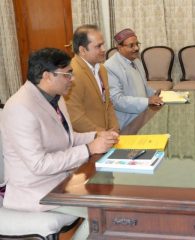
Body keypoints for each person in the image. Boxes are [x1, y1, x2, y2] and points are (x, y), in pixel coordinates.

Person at [0, 48, 119, 239]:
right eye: (67, 74)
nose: (72, 79)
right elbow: (39, 164)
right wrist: (89, 149)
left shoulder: (55, 97)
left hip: (60, 182)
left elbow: (66, 139)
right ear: (47, 76)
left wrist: (96, 135)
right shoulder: (20, 109)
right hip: (35, 191)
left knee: (109, 198)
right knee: (107, 214)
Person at [64, 24, 120, 133]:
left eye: (103, 44)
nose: (104, 49)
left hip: (107, 137)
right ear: (82, 50)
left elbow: (108, 104)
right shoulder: (73, 74)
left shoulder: (102, 69)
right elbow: (75, 118)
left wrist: (115, 130)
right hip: (89, 140)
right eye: (98, 46)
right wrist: (102, 134)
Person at [105, 28, 163, 129]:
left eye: (137, 44)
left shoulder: (136, 61)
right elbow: (117, 101)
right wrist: (147, 101)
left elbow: (143, 87)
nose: (136, 48)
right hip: (127, 122)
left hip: (144, 115)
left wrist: (155, 94)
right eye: (131, 45)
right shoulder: (110, 67)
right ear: (119, 47)